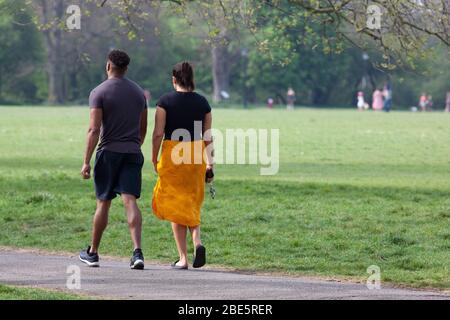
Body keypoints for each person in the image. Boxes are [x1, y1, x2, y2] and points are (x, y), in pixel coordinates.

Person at [79, 50, 148, 269]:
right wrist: (135, 145)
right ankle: (137, 253)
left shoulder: (98, 92)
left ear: (109, 66)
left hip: (108, 153)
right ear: (126, 67)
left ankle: (93, 252)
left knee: (103, 202)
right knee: (130, 201)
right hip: (132, 152)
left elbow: (94, 129)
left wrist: (86, 161)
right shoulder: (138, 93)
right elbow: (143, 127)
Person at [152, 61, 214, 269]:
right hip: (196, 155)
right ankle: (197, 242)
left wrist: (154, 157)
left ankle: (183, 259)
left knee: (175, 205)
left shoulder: (165, 102)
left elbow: (158, 133)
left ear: (174, 80)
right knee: (190, 203)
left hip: (173, 154)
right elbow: (207, 136)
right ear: (192, 79)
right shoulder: (203, 102)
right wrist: (210, 164)